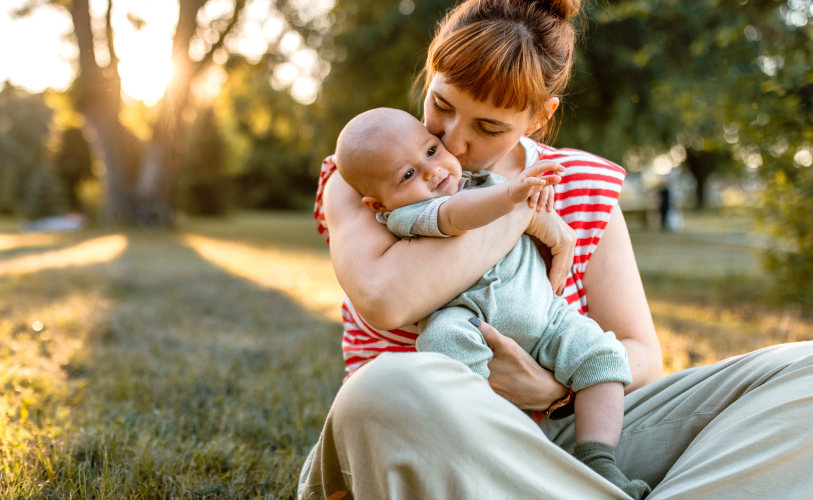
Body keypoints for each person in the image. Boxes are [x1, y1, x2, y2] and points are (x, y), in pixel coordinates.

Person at [299, 0, 813, 498]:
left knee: (804, 375)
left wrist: (553, 390)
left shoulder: (583, 184)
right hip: (434, 439)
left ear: (540, 117)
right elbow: (385, 299)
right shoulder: (369, 172)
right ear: (430, 73)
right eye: (442, 104)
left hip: (570, 435)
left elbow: (641, 354)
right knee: (383, 388)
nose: (453, 143)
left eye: (489, 127)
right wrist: (521, 207)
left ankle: (593, 482)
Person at [333, 107, 648, 497]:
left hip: (547, 318)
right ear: (378, 205)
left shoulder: (484, 180)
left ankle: (599, 461)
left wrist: (531, 199)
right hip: (468, 318)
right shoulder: (408, 214)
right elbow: (456, 216)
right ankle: (485, 447)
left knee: (602, 355)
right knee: (444, 347)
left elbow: (646, 353)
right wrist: (515, 200)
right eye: (408, 175)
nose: (431, 171)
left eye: (431, 151)